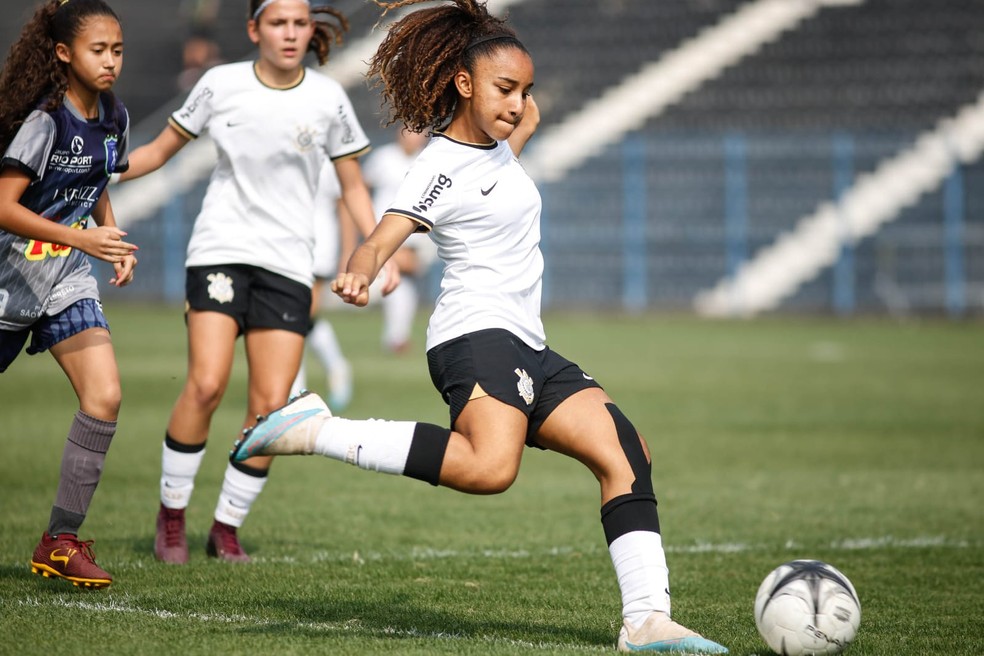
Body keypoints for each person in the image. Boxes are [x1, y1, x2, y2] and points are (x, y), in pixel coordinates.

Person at [231, 1, 728, 652]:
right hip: (476, 335)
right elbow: (385, 233)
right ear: (463, 85)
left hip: (528, 342)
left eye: (525, 90)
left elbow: (524, 113)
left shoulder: (502, 147)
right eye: (504, 90)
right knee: (490, 468)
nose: (519, 104)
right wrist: (360, 270)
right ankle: (316, 430)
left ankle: (647, 622)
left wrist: (502, 63)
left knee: (626, 452)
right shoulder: (441, 167)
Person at [119, 0, 395, 564]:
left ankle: (225, 528)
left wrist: (378, 253)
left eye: (299, 24)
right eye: (278, 23)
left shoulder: (327, 98)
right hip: (220, 250)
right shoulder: (220, 85)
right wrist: (94, 168)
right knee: (206, 384)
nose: (291, 34)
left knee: (270, 407)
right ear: (254, 29)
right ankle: (172, 517)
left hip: (290, 265)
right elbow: (159, 151)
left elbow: (356, 187)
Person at [0, 0, 137, 589]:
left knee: (104, 395)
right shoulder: (43, 122)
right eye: (97, 50)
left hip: (66, 281)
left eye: (118, 50)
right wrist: (81, 234)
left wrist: (113, 240)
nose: (110, 62)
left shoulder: (115, 116)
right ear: (63, 53)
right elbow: (4, 209)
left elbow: (96, 183)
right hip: (9, 282)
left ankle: (59, 541)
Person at [360, 125, 433, 354]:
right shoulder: (384, 158)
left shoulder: (430, 160)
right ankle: (396, 337)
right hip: (383, 231)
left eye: (420, 131)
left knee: (403, 280)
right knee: (397, 278)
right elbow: (361, 187)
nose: (415, 136)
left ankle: (396, 337)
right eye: (410, 130)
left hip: (416, 234)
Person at [289, 163, 353, 410]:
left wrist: (347, 251)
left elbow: (345, 202)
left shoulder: (328, 157)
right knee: (293, 315)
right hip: (283, 243)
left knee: (300, 316)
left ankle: (296, 393)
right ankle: (336, 365)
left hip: (319, 244)